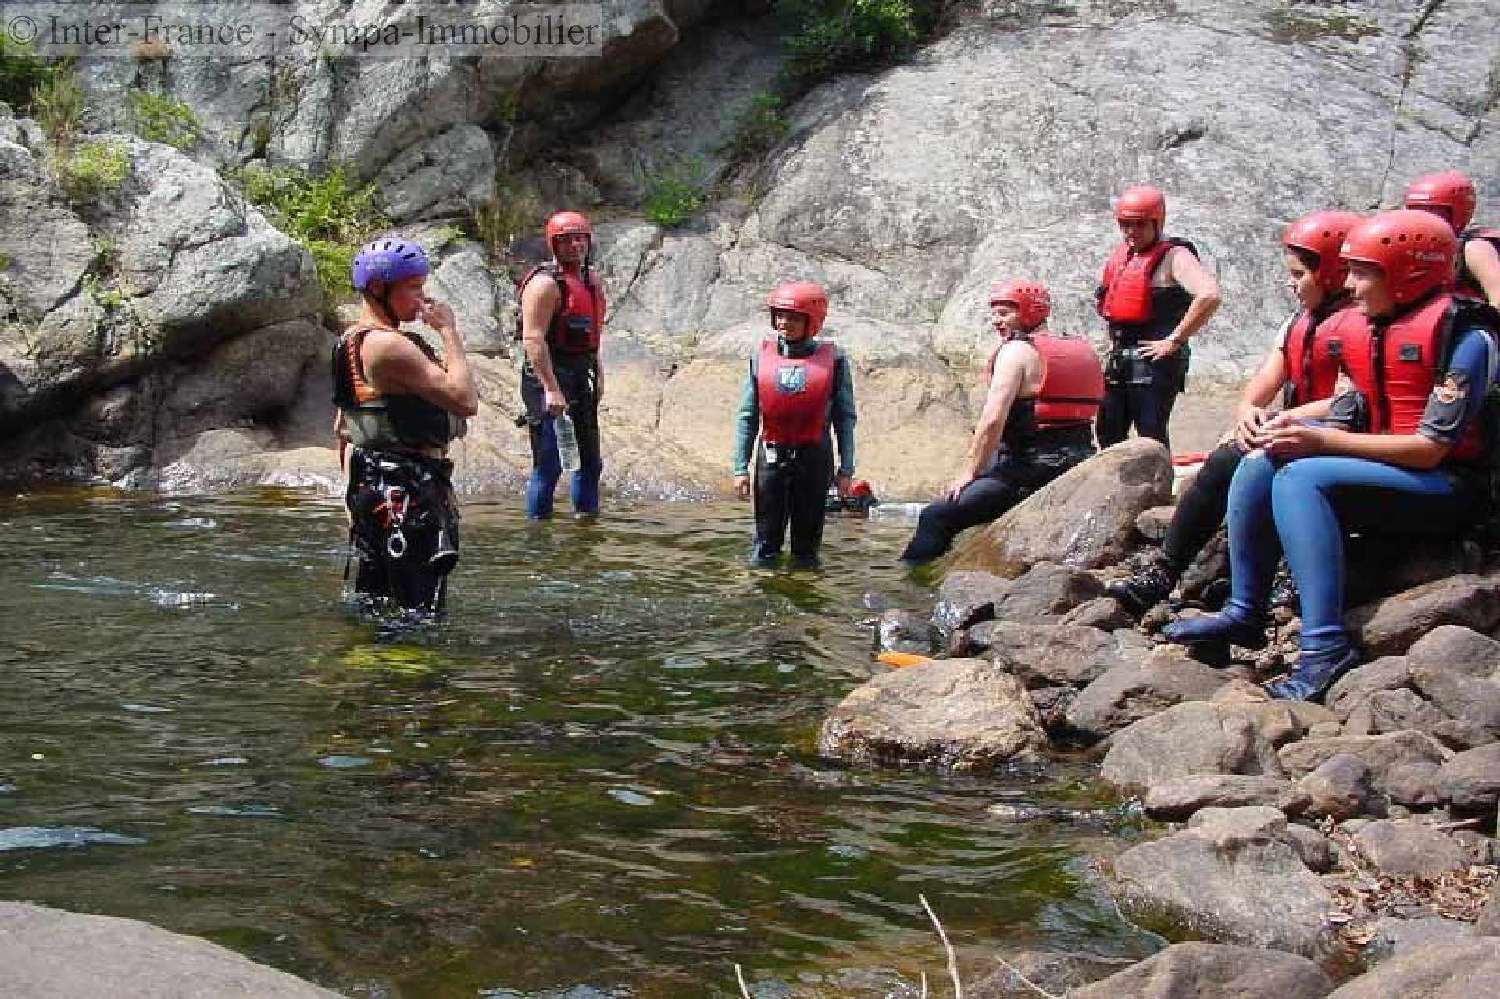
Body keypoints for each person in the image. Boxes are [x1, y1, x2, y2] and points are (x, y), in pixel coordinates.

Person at [1163, 210, 1499, 701]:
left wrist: (1321, 442)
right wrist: (1286, 424)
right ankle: (1245, 610)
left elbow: (1430, 450)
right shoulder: (1373, 327)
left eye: (1364, 273)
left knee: (1302, 478)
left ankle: (1324, 648)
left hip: (1451, 487)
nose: (1351, 286)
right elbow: (1349, 408)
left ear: (1409, 274)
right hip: (1393, 470)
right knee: (1262, 458)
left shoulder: (1467, 338)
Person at [1108, 210, 1366, 614]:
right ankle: (1165, 571)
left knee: (1238, 463)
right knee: (1223, 460)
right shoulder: (1300, 322)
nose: (1291, 284)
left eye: (1300, 275)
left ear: (1332, 274)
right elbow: (1261, 385)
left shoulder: (1364, 324)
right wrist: (1249, 413)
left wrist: (1286, 419)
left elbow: (1358, 398)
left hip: (1338, 435)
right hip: (1291, 429)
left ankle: (1280, 578)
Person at [900, 280, 1102, 564]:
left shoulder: (1015, 352)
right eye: (994, 313)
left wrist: (970, 471)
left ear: (1031, 312)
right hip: (1078, 461)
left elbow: (993, 419)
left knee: (936, 515)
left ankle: (909, 586)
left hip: (1031, 470)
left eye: (1005, 313)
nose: (996, 321)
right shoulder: (1081, 349)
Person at [333, 236, 478, 613]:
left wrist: (353, 500)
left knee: (379, 601)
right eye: (412, 288)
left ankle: (375, 666)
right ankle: (413, 669)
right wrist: (448, 331)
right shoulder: (388, 346)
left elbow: (344, 430)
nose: (421, 298)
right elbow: (465, 400)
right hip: (407, 493)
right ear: (380, 288)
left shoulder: (349, 341)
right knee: (420, 608)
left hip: (375, 489)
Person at [732, 281, 857, 569]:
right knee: (765, 547)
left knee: (806, 550)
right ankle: (762, 599)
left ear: (811, 322)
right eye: (779, 315)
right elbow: (747, 415)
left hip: (814, 458)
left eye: (793, 316)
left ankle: (804, 605)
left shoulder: (835, 361)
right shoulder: (760, 357)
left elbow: (845, 417)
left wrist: (846, 469)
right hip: (771, 458)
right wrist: (740, 467)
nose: (783, 322)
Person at [1095, 184, 1222, 450]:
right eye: (1125, 224)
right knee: (1108, 430)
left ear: (1157, 222)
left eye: (1139, 224)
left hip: (1155, 363)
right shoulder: (1124, 257)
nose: (1131, 232)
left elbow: (1209, 295)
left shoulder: (1175, 256)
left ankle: (1158, 491)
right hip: (1121, 359)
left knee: (1150, 433)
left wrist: (1174, 340)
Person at [518, 210, 607, 519]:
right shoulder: (544, 285)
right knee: (549, 465)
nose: (576, 246)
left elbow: (592, 335)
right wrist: (550, 389)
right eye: (567, 240)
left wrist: (598, 373)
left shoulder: (591, 280)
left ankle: (586, 526)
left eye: (580, 239)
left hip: (581, 374)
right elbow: (533, 339)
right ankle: (538, 534)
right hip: (548, 376)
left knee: (591, 461)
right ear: (554, 245)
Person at [1404, 170, 1500, 307]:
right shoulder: (1414, 249)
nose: (1423, 219)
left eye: (1433, 211)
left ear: (1459, 212)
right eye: (1416, 211)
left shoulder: (1474, 248)